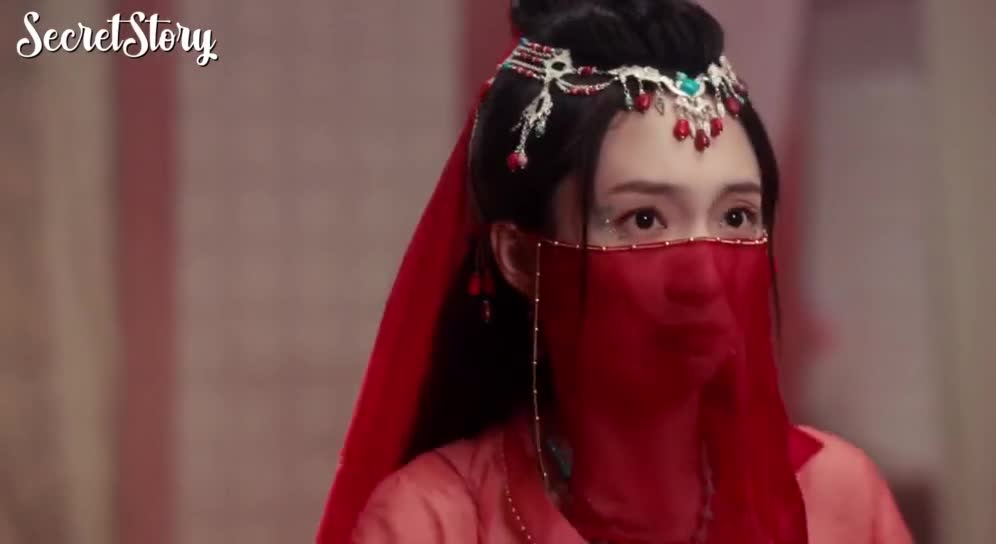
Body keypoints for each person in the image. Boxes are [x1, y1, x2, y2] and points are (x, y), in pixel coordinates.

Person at [317, 1, 912, 542]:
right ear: (521, 257)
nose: (704, 281)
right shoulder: (435, 519)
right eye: (644, 219)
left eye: (736, 216)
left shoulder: (839, 497)